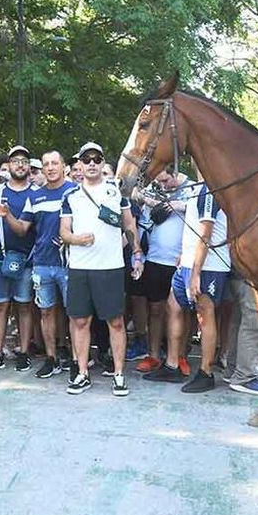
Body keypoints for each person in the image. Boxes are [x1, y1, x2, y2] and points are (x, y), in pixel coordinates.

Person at [60, 142, 143, 396]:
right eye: (87, 159)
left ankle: (118, 374)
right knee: (80, 321)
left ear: (103, 162)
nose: (92, 164)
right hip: (80, 267)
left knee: (115, 321)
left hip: (110, 267)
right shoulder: (70, 195)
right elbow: (64, 232)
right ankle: (82, 373)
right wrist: (76, 239)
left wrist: (136, 253)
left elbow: (129, 225)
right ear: (79, 164)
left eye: (97, 159)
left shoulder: (117, 191)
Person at [145, 180, 230, 393]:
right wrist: (184, 257)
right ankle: (172, 364)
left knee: (204, 315)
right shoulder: (197, 188)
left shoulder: (210, 190)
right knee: (172, 305)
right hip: (187, 263)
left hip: (208, 266)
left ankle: (206, 372)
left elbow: (205, 234)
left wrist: (196, 273)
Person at [6, 150, 76, 378]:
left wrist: (70, 236)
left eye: (55, 163)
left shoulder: (76, 191)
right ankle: (52, 358)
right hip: (42, 263)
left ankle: (77, 360)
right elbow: (22, 228)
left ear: (63, 166)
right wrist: (6, 215)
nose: (50, 168)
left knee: (75, 314)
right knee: (46, 312)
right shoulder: (35, 197)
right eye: (46, 164)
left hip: (70, 263)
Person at [0, 146, 37, 372]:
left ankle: (23, 352)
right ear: (9, 165)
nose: (20, 165)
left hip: (27, 259)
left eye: (24, 161)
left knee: (24, 306)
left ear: (29, 166)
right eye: (15, 161)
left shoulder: (36, 192)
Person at [134, 169, 191, 373]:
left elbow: (202, 212)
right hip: (155, 258)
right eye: (159, 182)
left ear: (175, 170)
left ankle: (180, 356)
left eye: (166, 180)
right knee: (155, 309)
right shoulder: (153, 188)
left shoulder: (192, 189)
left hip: (181, 261)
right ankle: (153, 355)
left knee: (181, 311)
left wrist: (181, 205)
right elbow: (134, 195)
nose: (163, 185)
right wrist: (146, 199)